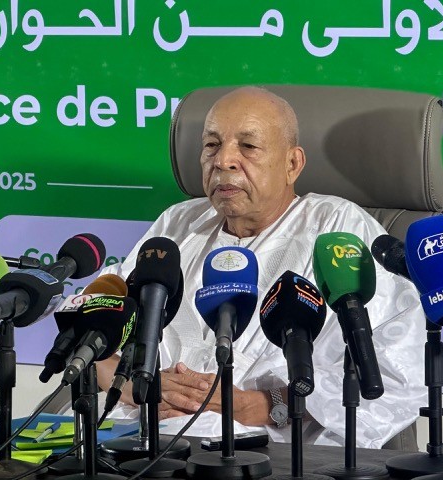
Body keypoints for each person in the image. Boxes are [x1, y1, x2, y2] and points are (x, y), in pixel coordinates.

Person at [96, 86, 426, 449]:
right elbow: (96, 339)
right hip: (142, 442)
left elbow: (393, 376)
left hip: (275, 451)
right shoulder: (177, 224)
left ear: (292, 164)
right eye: (211, 145)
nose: (223, 160)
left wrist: (260, 405)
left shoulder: (340, 230)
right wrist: (134, 386)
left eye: (248, 146)